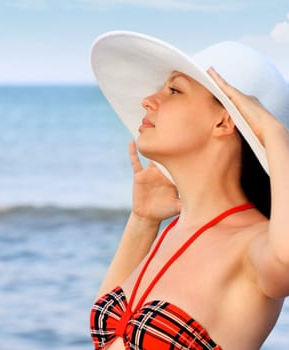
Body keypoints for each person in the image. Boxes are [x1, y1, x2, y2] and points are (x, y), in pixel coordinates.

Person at [88, 31, 289, 349]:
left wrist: (274, 136)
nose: (148, 100)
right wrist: (143, 221)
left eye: (174, 90)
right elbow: (109, 339)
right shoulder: (174, 232)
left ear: (225, 122)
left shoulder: (253, 245)